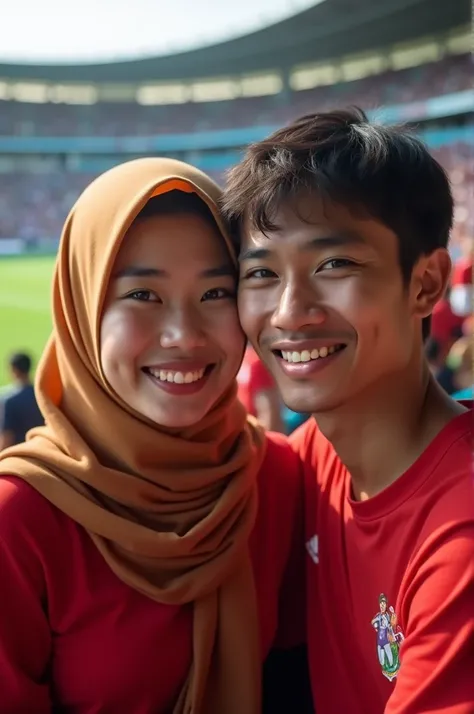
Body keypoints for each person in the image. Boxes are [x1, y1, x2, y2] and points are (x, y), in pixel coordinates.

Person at [0, 158, 305, 714]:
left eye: (215, 294)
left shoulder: (276, 477)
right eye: (143, 295)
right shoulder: (20, 520)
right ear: (82, 308)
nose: (183, 335)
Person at [222, 109, 474, 714]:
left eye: (334, 264)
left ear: (425, 282)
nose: (288, 311)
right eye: (260, 272)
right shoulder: (312, 456)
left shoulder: (460, 531)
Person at [0, 352, 43, 450]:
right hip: (41, 448)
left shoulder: (8, 400)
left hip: (19, 453)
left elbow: (7, 436)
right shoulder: (42, 394)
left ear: (14, 369)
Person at [237, 342, 285, 432]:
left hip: (256, 433)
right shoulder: (238, 359)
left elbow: (269, 411)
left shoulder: (256, 362)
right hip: (245, 430)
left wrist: (263, 443)